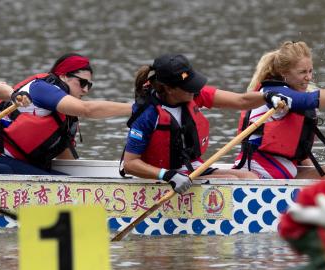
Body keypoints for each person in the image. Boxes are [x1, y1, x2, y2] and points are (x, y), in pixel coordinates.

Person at [121, 53, 289, 193]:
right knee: (232, 179)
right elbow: (130, 164)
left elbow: (241, 100)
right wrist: (167, 175)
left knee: (249, 176)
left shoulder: (194, 95)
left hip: (191, 169)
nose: (194, 89)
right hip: (162, 177)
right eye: (188, 87)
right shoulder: (148, 115)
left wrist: (267, 96)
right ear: (169, 89)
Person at [233, 40, 325, 180]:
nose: (308, 77)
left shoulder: (294, 93)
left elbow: (298, 149)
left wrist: (319, 173)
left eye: (310, 71)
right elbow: (309, 101)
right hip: (256, 176)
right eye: (302, 72)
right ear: (284, 73)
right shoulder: (273, 93)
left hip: (283, 175)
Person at [0, 53, 132, 175]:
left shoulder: (66, 114)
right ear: (64, 76)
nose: (86, 90)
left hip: (15, 160)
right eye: (82, 83)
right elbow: (88, 109)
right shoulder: (41, 89)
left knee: (67, 182)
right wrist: (135, 109)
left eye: (89, 85)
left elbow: (67, 160)